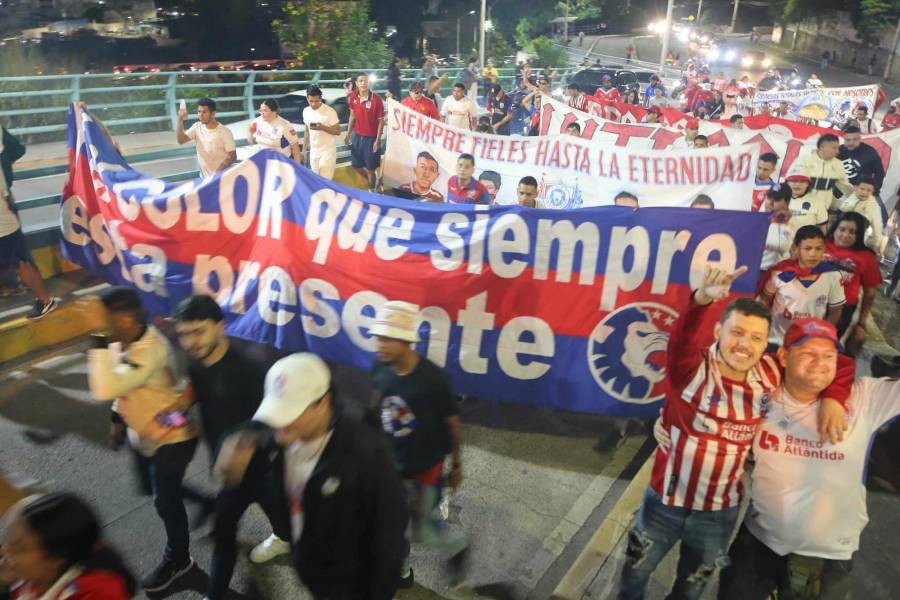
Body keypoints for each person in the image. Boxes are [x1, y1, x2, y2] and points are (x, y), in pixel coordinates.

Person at [618, 266, 849, 600]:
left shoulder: (770, 374)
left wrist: (834, 398)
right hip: (662, 505)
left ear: (765, 343)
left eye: (756, 338)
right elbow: (682, 336)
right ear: (717, 331)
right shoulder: (690, 368)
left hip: (718, 514)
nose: (745, 344)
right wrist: (700, 300)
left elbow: (834, 363)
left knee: (691, 589)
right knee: (633, 579)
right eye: (736, 333)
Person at [649, 318, 888, 600]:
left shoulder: (866, 397)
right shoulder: (761, 394)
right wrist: (668, 421)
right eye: (808, 353)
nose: (819, 363)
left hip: (828, 555)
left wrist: (835, 394)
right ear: (784, 357)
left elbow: (843, 365)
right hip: (758, 543)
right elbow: (703, 379)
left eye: (828, 356)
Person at [215, 353, 408, 600]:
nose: (279, 423)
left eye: (290, 412)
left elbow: (388, 541)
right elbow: (240, 448)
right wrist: (233, 467)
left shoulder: (368, 455)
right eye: (276, 412)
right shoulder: (279, 436)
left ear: (323, 403)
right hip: (311, 567)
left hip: (349, 583)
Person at [170, 295, 293, 600]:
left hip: (264, 470)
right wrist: (176, 415)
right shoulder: (197, 363)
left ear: (220, 326)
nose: (191, 342)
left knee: (280, 517)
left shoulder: (251, 370)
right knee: (223, 533)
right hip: (227, 472)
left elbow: (275, 422)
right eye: (184, 334)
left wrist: (246, 443)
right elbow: (196, 398)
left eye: (199, 332)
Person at [82, 287, 201, 592]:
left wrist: (97, 332)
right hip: (145, 434)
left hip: (173, 433)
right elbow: (118, 382)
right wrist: (117, 420)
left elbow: (105, 386)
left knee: (165, 500)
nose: (102, 328)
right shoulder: (124, 340)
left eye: (106, 321)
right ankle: (206, 501)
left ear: (123, 320)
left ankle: (179, 558)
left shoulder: (150, 349)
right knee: (152, 487)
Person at [369, 301, 469, 586]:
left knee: (423, 531)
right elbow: (378, 403)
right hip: (391, 468)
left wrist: (457, 465)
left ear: (407, 341)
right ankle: (401, 571)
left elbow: (453, 424)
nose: (380, 345)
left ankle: (459, 544)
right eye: (378, 337)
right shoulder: (380, 366)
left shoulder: (433, 380)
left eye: (387, 339)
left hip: (425, 471)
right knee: (390, 524)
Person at [1, 493, 137, 599]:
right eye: (7, 540)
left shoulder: (96, 594)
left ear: (55, 559)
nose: (4, 551)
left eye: (19, 549)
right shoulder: (36, 574)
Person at [0, 127, 56, 318]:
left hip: (3, 222)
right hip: (5, 216)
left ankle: (45, 299)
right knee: (18, 261)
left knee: (19, 263)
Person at [759, 226, 846, 347]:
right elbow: (764, 302)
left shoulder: (832, 275)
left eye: (818, 249)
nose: (813, 254)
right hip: (776, 340)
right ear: (796, 248)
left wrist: (821, 335)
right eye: (807, 248)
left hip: (808, 342)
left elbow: (835, 312)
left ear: (824, 249)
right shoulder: (780, 272)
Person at [824, 211, 882, 346]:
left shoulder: (867, 257)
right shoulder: (822, 244)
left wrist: (861, 323)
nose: (845, 235)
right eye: (842, 229)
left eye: (852, 232)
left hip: (842, 311)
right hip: (812, 303)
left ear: (859, 235)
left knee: (826, 345)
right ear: (835, 228)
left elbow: (870, 293)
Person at [789, 133, 853, 215]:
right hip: (798, 208)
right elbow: (789, 182)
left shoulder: (838, 164)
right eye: (834, 148)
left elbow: (845, 186)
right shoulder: (803, 160)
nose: (837, 151)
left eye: (838, 148)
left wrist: (857, 196)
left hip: (822, 210)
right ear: (822, 147)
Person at [345, 73, 386, 193]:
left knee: (370, 169)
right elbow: (352, 116)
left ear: (369, 83)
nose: (363, 83)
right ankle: (374, 180)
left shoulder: (376, 99)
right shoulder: (353, 97)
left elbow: (381, 121)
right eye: (361, 81)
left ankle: (372, 191)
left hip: (371, 138)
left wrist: (378, 140)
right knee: (356, 165)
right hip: (357, 136)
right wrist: (348, 134)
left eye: (366, 81)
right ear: (357, 84)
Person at [175, 97, 236, 177]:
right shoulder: (196, 127)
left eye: (204, 112)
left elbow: (232, 156)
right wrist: (180, 119)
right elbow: (181, 140)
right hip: (204, 179)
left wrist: (216, 175)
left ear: (213, 113)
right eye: (199, 112)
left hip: (221, 179)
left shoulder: (224, 132)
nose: (201, 115)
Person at [838, 125, 886, 216]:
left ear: (860, 138)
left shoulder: (869, 151)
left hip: (865, 191)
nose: (851, 142)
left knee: (882, 217)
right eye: (848, 140)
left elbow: (880, 174)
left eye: (855, 139)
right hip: (845, 192)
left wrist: (873, 192)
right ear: (844, 139)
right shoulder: (839, 150)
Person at [301, 85, 340, 180]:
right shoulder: (306, 111)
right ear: (307, 99)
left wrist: (322, 127)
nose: (313, 104)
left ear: (321, 99)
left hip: (327, 152)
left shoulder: (330, 111)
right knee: (316, 180)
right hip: (314, 152)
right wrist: (304, 150)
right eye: (311, 101)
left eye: (316, 101)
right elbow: (307, 131)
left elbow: (337, 131)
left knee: (325, 181)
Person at [838, 177, 883, 252]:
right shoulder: (850, 195)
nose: (865, 192)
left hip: (856, 241)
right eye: (862, 189)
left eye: (869, 190)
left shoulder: (874, 206)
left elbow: (877, 228)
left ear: (872, 192)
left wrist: (874, 248)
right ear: (856, 187)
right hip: (839, 234)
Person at [761, 188, 793, 272]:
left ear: (787, 202)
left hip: (778, 271)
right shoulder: (758, 217)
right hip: (756, 269)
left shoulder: (793, 222)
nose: (770, 203)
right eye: (768, 198)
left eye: (776, 199)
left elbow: (784, 247)